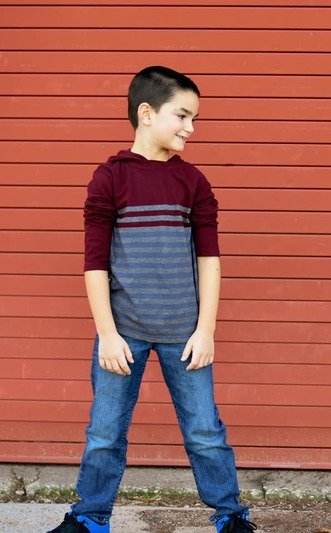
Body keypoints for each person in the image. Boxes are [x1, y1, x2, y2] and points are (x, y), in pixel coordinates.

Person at [48, 66, 257, 533]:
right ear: (146, 113)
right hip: (123, 334)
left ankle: (231, 516)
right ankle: (89, 519)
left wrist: (206, 330)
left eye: (194, 118)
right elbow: (95, 263)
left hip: (185, 335)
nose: (191, 127)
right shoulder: (110, 179)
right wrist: (106, 333)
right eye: (183, 115)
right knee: (104, 433)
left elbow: (209, 260)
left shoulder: (194, 183)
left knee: (205, 433)